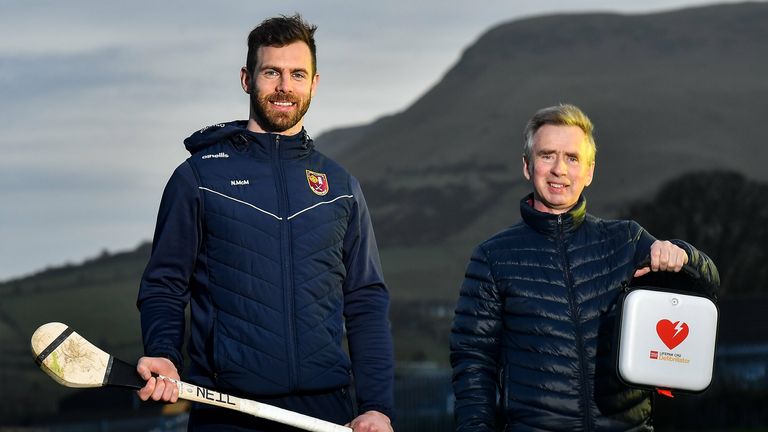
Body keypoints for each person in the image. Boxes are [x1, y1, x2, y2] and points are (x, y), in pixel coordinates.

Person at [136, 14, 394, 432]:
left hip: (328, 413)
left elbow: (366, 300)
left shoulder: (340, 186)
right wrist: (164, 351)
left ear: (314, 82)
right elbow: (165, 284)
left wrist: (378, 406)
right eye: (271, 72)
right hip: (228, 411)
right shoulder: (199, 178)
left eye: (297, 74)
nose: (284, 86)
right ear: (246, 78)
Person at [449, 104, 719, 431]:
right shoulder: (493, 257)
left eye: (572, 158)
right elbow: (473, 362)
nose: (559, 169)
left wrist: (685, 256)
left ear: (589, 171)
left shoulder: (626, 239)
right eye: (547, 155)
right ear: (527, 166)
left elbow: (709, 287)